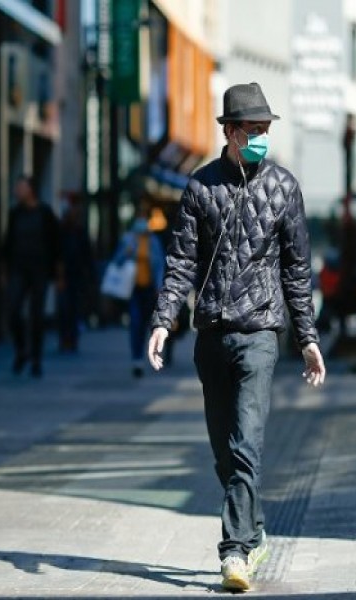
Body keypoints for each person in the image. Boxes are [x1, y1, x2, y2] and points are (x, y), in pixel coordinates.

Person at [146, 82, 326, 591]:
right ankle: (256, 528)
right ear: (229, 131)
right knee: (225, 453)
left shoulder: (285, 188)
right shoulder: (200, 187)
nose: (262, 138)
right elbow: (180, 262)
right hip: (211, 335)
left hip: (261, 333)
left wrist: (307, 339)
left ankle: (234, 553)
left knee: (247, 441)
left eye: (266, 129)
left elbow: (296, 270)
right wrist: (163, 320)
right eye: (253, 130)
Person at [2, 176, 61, 378]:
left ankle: (36, 359)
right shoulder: (15, 214)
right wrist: (4, 271)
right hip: (18, 269)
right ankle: (21, 351)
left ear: (31, 190)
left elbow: (56, 243)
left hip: (40, 271)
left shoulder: (44, 213)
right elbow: (7, 243)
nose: (17, 190)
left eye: (21, 187)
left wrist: (59, 274)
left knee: (37, 316)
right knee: (13, 311)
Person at [111, 205, 165, 378]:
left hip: (150, 289)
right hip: (133, 288)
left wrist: (159, 286)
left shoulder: (154, 241)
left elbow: (160, 266)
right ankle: (137, 359)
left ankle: (151, 352)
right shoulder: (128, 239)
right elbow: (117, 261)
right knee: (135, 323)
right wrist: (127, 253)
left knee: (150, 324)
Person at [57, 193, 94, 353]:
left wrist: (89, 275)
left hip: (78, 276)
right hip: (65, 275)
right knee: (64, 308)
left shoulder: (80, 232)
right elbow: (57, 253)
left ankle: (72, 338)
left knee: (74, 308)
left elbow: (87, 255)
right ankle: (65, 337)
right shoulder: (62, 232)